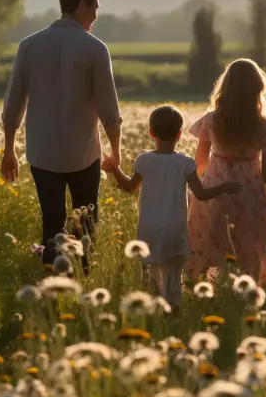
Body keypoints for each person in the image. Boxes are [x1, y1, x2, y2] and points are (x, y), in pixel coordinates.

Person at [0, 0, 122, 268]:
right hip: (84, 153)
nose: (96, 14)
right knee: (85, 225)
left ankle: (52, 287)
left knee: (52, 222)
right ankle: (80, 281)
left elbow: (13, 102)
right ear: (81, 4)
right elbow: (109, 109)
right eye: (95, 7)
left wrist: (9, 149)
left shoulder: (29, 46)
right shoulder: (95, 49)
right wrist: (115, 151)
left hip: (43, 154)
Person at [102, 105, 241, 310]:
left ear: (151, 133)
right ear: (179, 134)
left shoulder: (144, 160)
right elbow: (201, 194)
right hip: (175, 229)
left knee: (150, 274)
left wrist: (115, 169)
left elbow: (130, 188)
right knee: (173, 276)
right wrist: (224, 187)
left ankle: (151, 312)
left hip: (149, 227)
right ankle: (172, 312)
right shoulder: (185, 163)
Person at [186, 59, 266, 287]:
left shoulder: (211, 119)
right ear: (258, 89)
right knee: (249, 245)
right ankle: (249, 291)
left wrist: (213, 174)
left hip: (215, 186)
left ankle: (207, 289)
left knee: (213, 240)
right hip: (250, 189)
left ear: (225, 87)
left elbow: (199, 160)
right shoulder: (264, 125)